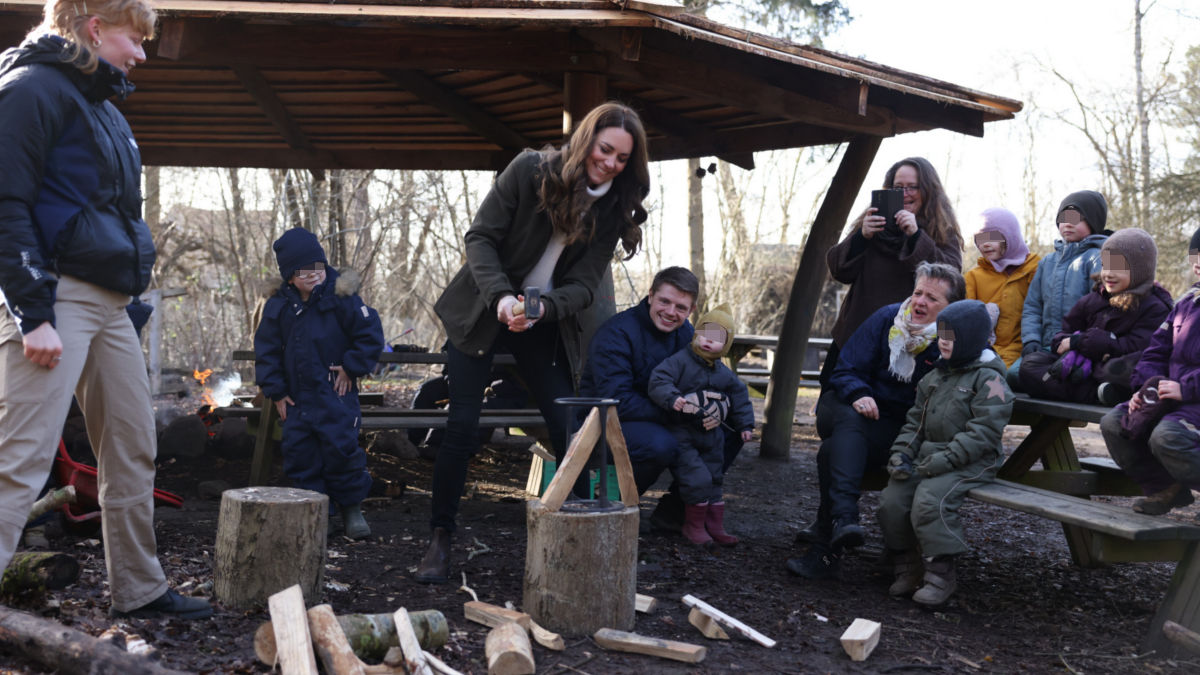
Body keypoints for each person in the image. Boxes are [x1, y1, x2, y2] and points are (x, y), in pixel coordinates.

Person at [0, 0, 211, 619]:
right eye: (136, 38)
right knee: (21, 460)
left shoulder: (102, 107)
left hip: (110, 304)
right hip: (54, 298)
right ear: (95, 29)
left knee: (132, 443)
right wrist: (31, 312)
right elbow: (5, 205)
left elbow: (107, 215)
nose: (142, 53)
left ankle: (139, 589)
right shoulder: (30, 90)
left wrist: (129, 300)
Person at [416, 102, 651, 584]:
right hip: (482, 309)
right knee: (461, 426)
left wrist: (542, 308)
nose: (609, 163)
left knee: (571, 422)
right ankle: (439, 539)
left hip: (541, 319)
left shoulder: (611, 207)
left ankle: (590, 538)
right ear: (587, 140)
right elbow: (480, 237)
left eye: (622, 158)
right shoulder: (529, 170)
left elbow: (585, 284)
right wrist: (502, 298)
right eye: (605, 150)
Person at [787, 262, 965, 580]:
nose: (920, 302)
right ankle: (841, 522)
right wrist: (858, 393)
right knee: (847, 419)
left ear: (951, 309)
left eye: (932, 299)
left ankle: (830, 545)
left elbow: (970, 370)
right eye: (918, 293)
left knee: (832, 452)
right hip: (853, 409)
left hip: (899, 430)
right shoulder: (887, 318)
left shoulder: (950, 336)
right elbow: (845, 369)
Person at [579, 266, 746, 532]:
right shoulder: (617, 334)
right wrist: (683, 412)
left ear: (691, 310)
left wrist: (719, 408)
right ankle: (618, 509)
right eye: (664, 301)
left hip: (665, 415)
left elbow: (711, 377)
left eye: (680, 307)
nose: (670, 312)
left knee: (730, 431)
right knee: (661, 444)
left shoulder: (686, 335)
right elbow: (617, 400)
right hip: (604, 422)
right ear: (650, 296)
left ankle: (674, 510)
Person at [877, 300, 1012, 606]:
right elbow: (916, 423)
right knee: (893, 500)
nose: (943, 342)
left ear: (971, 338)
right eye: (941, 335)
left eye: (951, 336)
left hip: (971, 460)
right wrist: (902, 453)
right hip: (929, 456)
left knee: (929, 501)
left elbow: (985, 431)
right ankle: (908, 567)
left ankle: (940, 574)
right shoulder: (934, 377)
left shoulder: (991, 380)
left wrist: (946, 459)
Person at [254, 228, 385, 539]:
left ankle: (352, 509)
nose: (312, 276)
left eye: (317, 269)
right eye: (303, 272)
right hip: (296, 399)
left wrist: (351, 368)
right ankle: (317, 513)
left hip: (334, 394)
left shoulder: (343, 298)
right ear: (289, 277)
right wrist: (277, 392)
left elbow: (369, 335)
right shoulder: (278, 307)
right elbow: (266, 351)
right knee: (302, 455)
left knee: (342, 449)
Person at [821, 157, 963, 390]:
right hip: (856, 332)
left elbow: (951, 278)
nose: (904, 193)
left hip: (908, 342)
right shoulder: (872, 223)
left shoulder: (942, 229)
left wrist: (917, 236)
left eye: (912, 187)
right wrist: (861, 237)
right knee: (836, 401)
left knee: (887, 410)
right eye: (898, 188)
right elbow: (839, 270)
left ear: (927, 190)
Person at [1098, 229, 1200, 516]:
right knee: (1115, 423)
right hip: (1172, 398)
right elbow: (1156, 350)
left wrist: (1186, 388)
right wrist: (1145, 389)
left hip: (1194, 400)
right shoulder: (1187, 303)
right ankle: (1164, 488)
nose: (1198, 262)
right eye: (1195, 255)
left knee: (1167, 436)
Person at [1018, 228, 1171, 405]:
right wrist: (1067, 343)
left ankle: (1099, 391)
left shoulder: (1155, 306)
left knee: (1127, 368)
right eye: (1106, 265)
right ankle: (1100, 394)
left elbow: (1141, 347)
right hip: (1081, 369)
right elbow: (1063, 333)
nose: (1108, 274)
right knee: (1030, 365)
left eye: (1118, 267)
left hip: (1112, 368)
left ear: (1140, 271)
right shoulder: (1093, 299)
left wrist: (1096, 343)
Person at [646, 304, 755, 546]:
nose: (707, 342)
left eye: (716, 339)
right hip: (682, 432)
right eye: (704, 334)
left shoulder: (723, 373)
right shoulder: (680, 361)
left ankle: (714, 525)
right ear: (696, 334)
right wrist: (673, 398)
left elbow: (740, 397)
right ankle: (692, 525)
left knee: (715, 478)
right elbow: (658, 379)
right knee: (697, 478)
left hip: (711, 435)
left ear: (725, 345)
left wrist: (745, 424)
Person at [1015, 190, 1110, 387]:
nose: (1068, 223)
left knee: (1043, 378)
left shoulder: (1097, 258)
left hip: (1078, 348)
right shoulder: (1047, 262)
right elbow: (1033, 306)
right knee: (1013, 376)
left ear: (1092, 221)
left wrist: (1080, 344)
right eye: (1063, 218)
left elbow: (1101, 310)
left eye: (1076, 218)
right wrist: (1031, 340)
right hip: (1045, 347)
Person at [964, 207, 1040, 367]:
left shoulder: (1034, 268)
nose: (985, 244)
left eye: (992, 237)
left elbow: (1041, 309)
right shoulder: (974, 277)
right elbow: (967, 319)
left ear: (1010, 235)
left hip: (1025, 349)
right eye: (979, 239)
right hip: (985, 350)